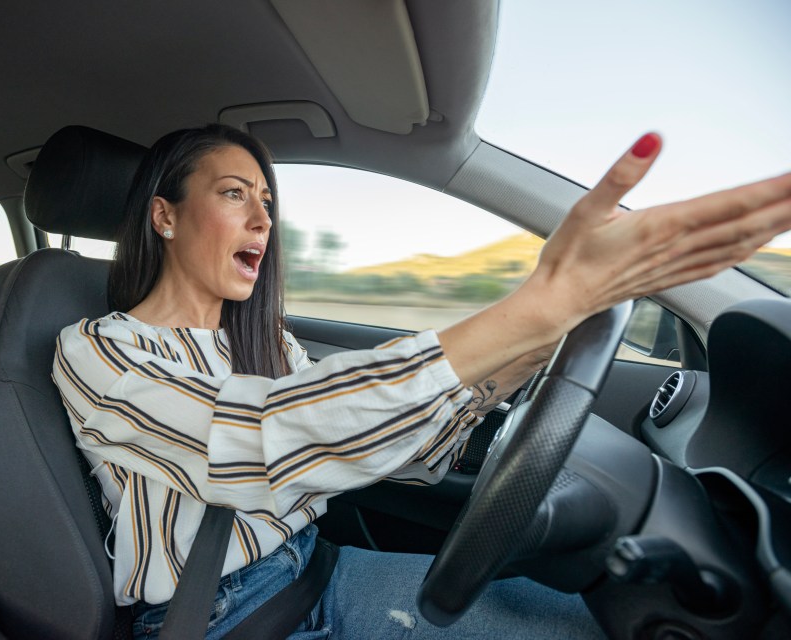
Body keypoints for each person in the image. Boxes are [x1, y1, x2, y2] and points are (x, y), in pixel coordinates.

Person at [53, 124, 791, 639]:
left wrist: (526, 351)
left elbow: (398, 456)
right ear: (164, 216)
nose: (263, 219)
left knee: (576, 621)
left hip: (317, 572)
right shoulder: (98, 350)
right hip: (220, 617)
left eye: (268, 202)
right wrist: (531, 305)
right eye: (234, 194)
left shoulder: (263, 340)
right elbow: (260, 437)